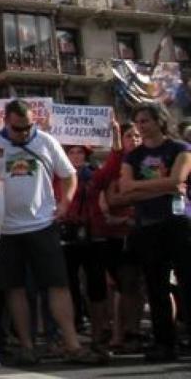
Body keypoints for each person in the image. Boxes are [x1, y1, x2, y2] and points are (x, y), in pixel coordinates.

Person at [0, 99, 101, 366]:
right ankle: (27, 346)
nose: (24, 133)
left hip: (42, 224)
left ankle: (72, 343)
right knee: (14, 287)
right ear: (6, 122)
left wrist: (65, 202)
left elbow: (69, 175)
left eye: (29, 127)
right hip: (5, 229)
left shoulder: (46, 142)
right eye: (18, 129)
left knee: (57, 284)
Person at [119, 102, 191, 362]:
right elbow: (125, 188)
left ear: (159, 121)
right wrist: (162, 187)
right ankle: (165, 342)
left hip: (178, 222)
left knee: (186, 281)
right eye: (138, 121)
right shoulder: (133, 156)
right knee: (156, 286)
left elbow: (177, 180)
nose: (141, 126)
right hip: (147, 225)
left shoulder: (180, 148)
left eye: (145, 120)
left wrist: (143, 187)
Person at [95, 120, 144, 352]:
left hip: (145, 231)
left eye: (137, 136)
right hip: (118, 235)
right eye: (128, 136)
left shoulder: (149, 161)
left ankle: (135, 331)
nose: (134, 140)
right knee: (122, 285)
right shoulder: (115, 166)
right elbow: (111, 198)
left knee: (143, 284)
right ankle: (119, 333)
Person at [58, 144, 109, 353]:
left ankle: (98, 333)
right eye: (72, 152)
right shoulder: (59, 175)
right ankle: (73, 332)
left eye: (80, 152)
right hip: (67, 235)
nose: (76, 156)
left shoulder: (95, 174)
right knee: (67, 285)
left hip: (93, 234)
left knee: (96, 285)